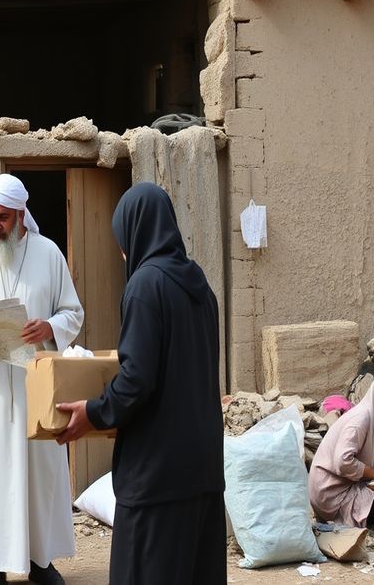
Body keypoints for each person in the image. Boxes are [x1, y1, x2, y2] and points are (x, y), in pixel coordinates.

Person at [54, 182, 225, 584]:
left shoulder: (146, 286)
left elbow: (136, 379)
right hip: (202, 471)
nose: (121, 252)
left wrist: (93, 413)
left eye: (122, 241)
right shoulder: (200, 287)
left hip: (157, 478)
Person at [0, 173, 85, 585]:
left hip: (36, 386)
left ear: (21, 214)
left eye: (3, 218)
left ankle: (40, 561)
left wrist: (49, 328)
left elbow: (72, 312)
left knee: (38, 475)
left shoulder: (48, 254)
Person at [309, 372, 374, 527]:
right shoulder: (361, 419)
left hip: (343, 484)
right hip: (328, 491)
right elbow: (343, 461)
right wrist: (372, 472)